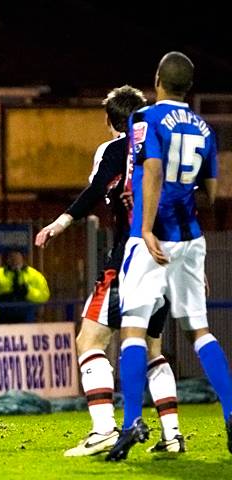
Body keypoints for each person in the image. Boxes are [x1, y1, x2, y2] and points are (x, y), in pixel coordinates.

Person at [35, 86, 183, 456]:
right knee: (153, 349)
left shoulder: (115, 149)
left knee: (89, 341)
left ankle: (103, 429)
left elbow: (95, 191)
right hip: (165, 261)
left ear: (111, 122)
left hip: (128, 260)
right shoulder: (167, 151)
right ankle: (173, 436)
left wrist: (59, 223)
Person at [106, 52, 232, 461]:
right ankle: (231, 415)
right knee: (200, 330)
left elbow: (154, 169)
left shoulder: (145, 117)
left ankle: (129, 426)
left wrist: (143, 227)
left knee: (133, 330)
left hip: (153, 237)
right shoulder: (205, 128)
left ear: (158, 78)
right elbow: (213, 191)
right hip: (191, 236)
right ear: (189, 86)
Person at [0, 248, 50, 323]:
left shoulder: (34, 275)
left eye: (17, 254)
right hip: (3, 318)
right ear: (7, 258)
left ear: (22, 257)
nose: (14, 258)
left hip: (26, 319)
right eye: (11, 255)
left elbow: (44, 296)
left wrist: (28, 292)